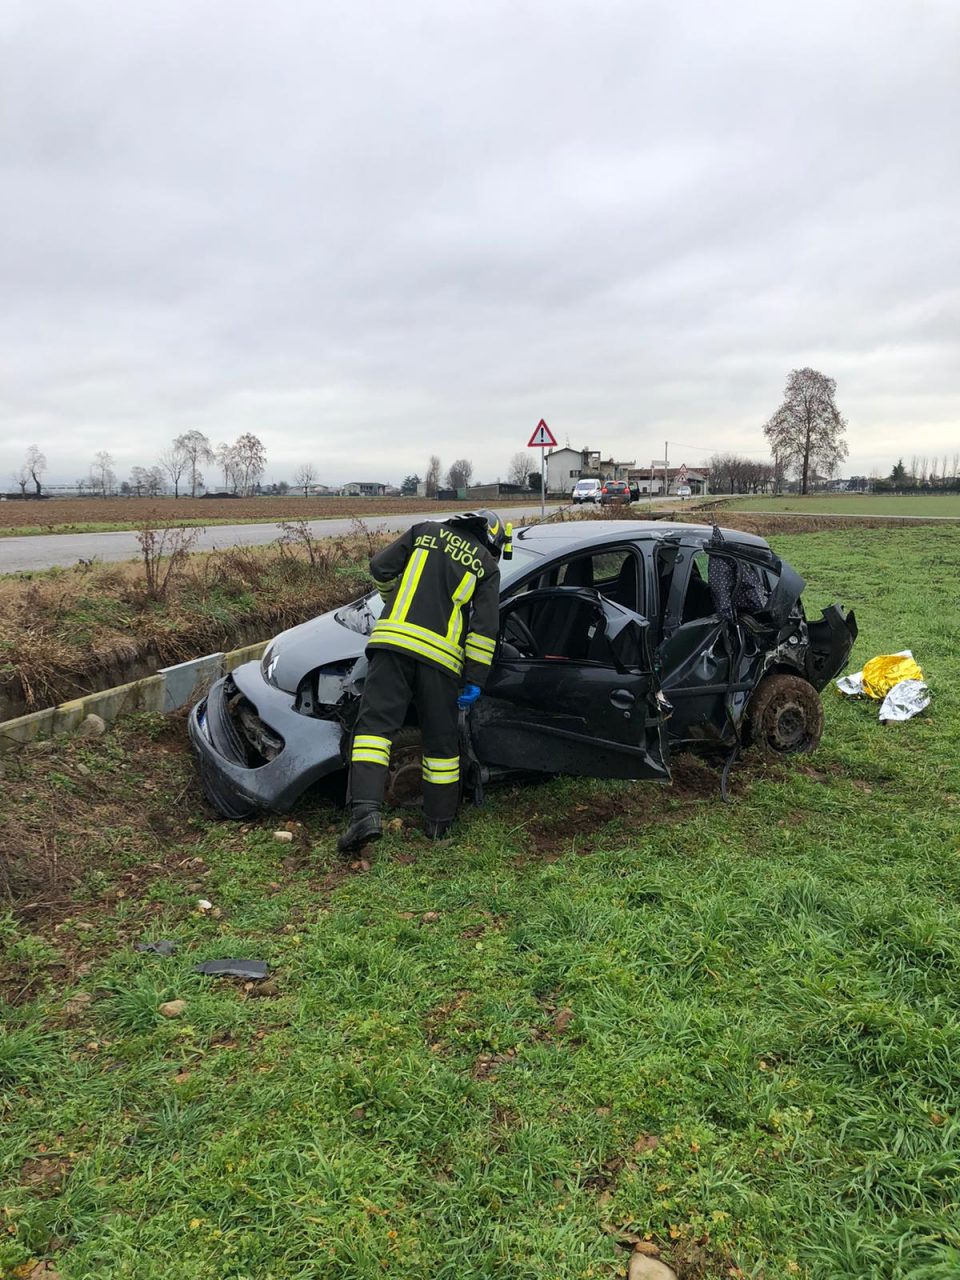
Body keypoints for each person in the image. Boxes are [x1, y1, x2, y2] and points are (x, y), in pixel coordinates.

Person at [337, 510, 511, 853]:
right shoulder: (486, 567)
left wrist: (393, 602)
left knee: (373, 730)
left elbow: (379, 568)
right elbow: (484, 629)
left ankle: (365, 815)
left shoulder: (424, 532)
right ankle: (437, 824)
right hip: (440, 661)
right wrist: (474, 677)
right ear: (491, 538)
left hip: (392, 645)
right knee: (441, 743)